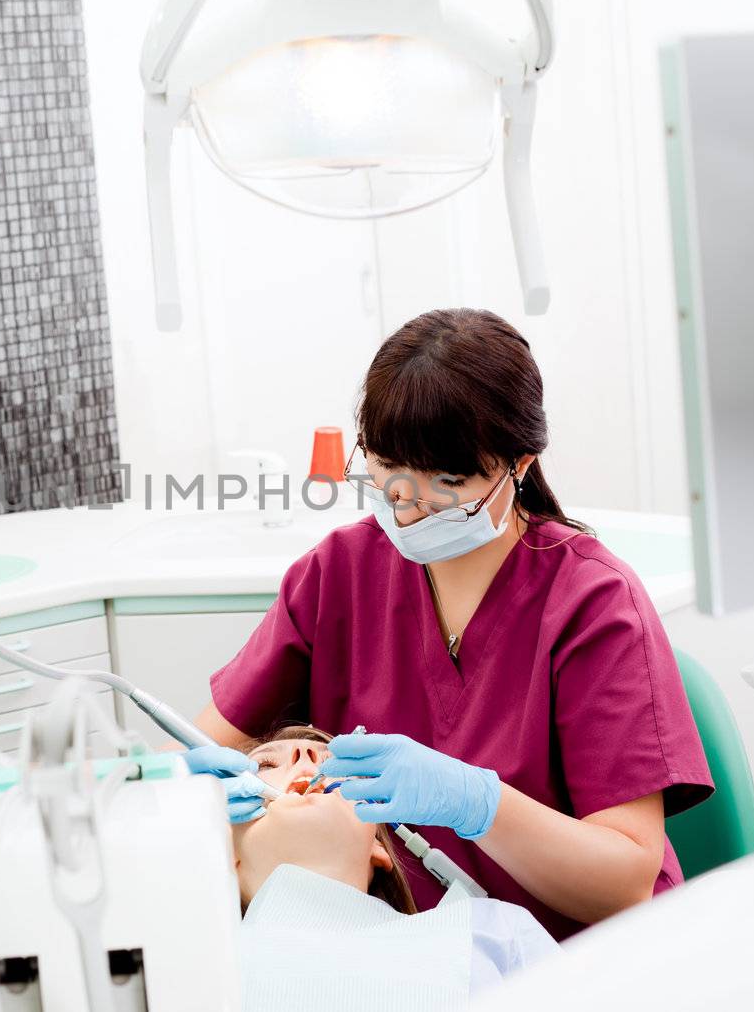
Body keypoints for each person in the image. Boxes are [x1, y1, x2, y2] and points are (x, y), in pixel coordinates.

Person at [187, 308, 714, 940]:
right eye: (386, 467)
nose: (406, 504)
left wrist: (475, 803)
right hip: (401, 961)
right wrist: (179, 793)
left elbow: (624, 881)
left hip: (575, 963)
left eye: (447, 480)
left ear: (518, 465)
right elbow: (197, 747)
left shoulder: (593, 606)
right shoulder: (339, 575)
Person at [229, 726, 556, 1010]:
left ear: (378, 846)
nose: (304, 754)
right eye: (266, 764)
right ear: (225, 853)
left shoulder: (492, 931)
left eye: (332, 763)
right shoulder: (203, 969)